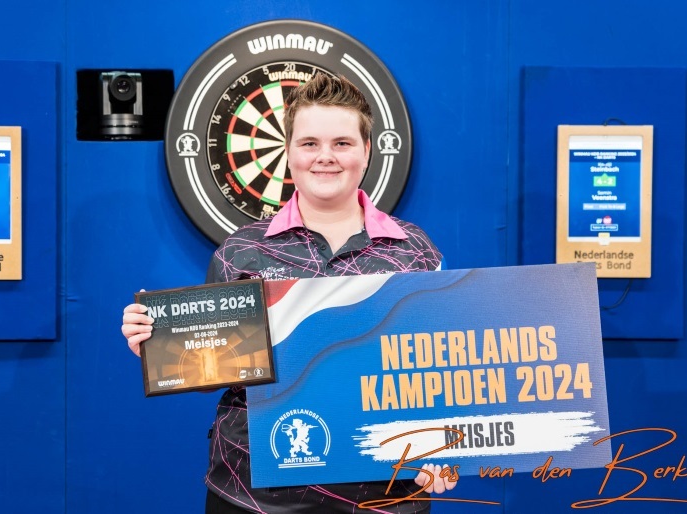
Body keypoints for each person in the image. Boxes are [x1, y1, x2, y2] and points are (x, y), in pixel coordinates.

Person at [122, 73, 456, 513]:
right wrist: (160, 342)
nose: (325, 157)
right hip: (253, 495)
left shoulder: (416, 253)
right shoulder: (242, 251)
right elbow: (211, 370)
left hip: (382, 496)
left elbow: (444, 372)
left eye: (342, 143)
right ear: (289, 152)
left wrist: (448, 452)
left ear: (366, 151)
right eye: (309, 143)